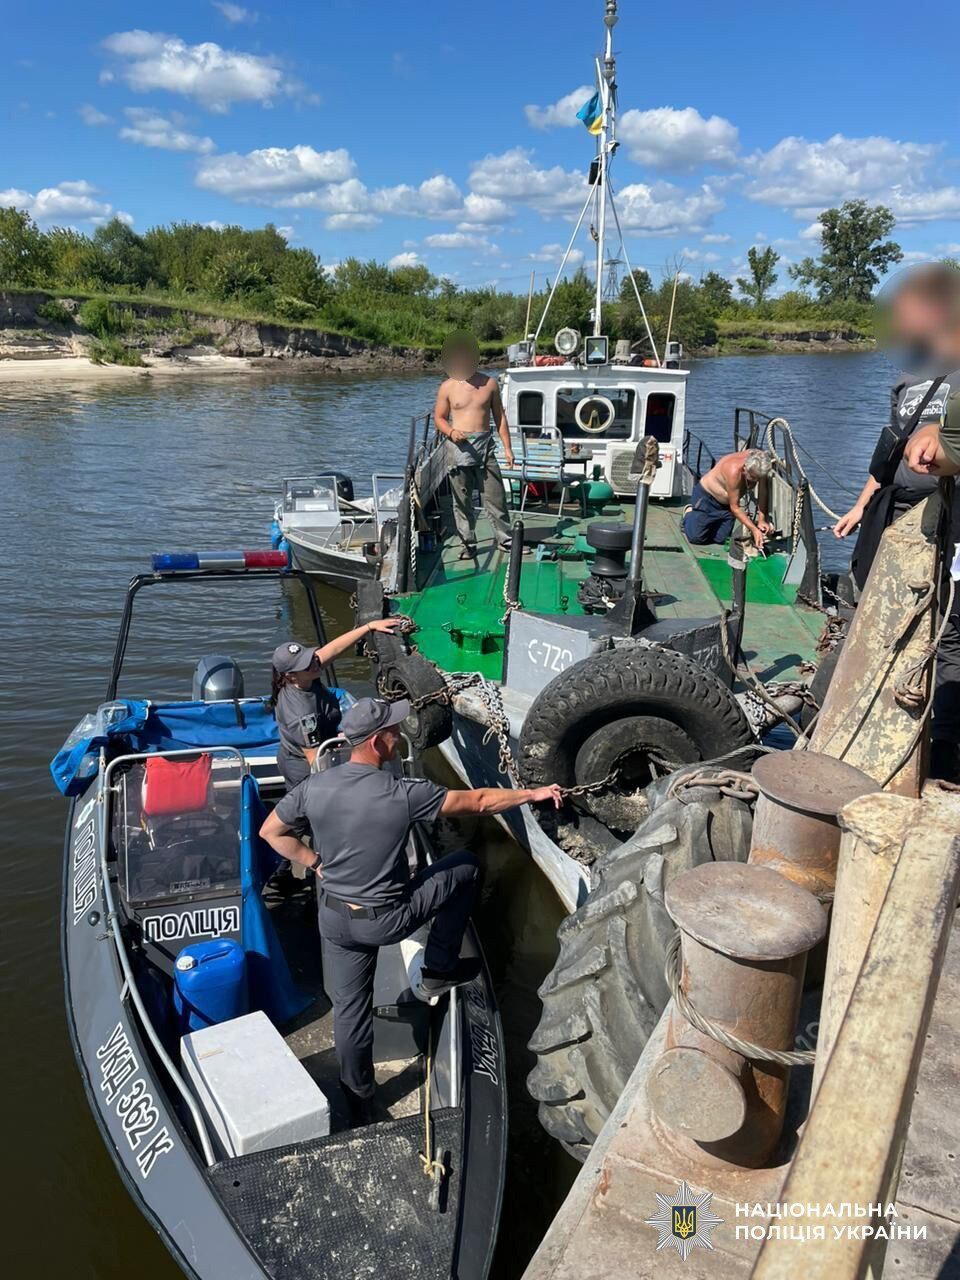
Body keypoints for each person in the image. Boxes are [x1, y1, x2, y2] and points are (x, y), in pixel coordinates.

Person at [259, 696, 563, 1124]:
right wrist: (533, 793)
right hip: (387, 919)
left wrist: (314, 863)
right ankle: (439, 966)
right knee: (464, 867)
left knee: (349, 1011)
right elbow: (476, 802)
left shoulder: (313, 787)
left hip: (335, 918)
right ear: (381, 742)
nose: (400, 734)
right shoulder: (403, 793)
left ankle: (359, 1100)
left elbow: (271, 831)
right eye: (395, 730)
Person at [833, 263, 960, 780]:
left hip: (946, 516)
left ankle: (945, 750)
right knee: (870, 601)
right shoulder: (908, 379)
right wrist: (863, 504)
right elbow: (887, 453)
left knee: (947, 629)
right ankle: (871, 703)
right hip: (896, 507)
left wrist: (940, 444)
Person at [271, 619, 401, 792]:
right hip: (304, 768)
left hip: (329, 744)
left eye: (311, 658)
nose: (315, 662)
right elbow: (316, 762)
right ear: (290, 675)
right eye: (307, 663)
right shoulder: (301, 714)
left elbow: (333, 649)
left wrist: (369, 627)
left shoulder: (307, 674)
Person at [434, 331, 514, 559]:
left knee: (495, 496)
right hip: (458, 448)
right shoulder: (447, 387)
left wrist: (508, 448)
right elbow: (439, 417)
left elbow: (500, 418)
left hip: (485, 447)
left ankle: (505, 540)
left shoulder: (489, 384)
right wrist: (451, 431)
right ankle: (468, 545)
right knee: (462, 501)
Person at [681, 448, 774, 549]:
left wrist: (762, 519)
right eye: (752, 478)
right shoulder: (733, 470)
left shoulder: (761, 463)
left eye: (758, 478)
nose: (754, 481)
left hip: (726, 507)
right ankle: (688, 513)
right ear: (745, 468)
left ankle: (707, 521)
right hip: (707, 498)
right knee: (697, 538)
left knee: (721, 540)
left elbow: (763, 492)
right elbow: (735, 507)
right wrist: (754, 529)